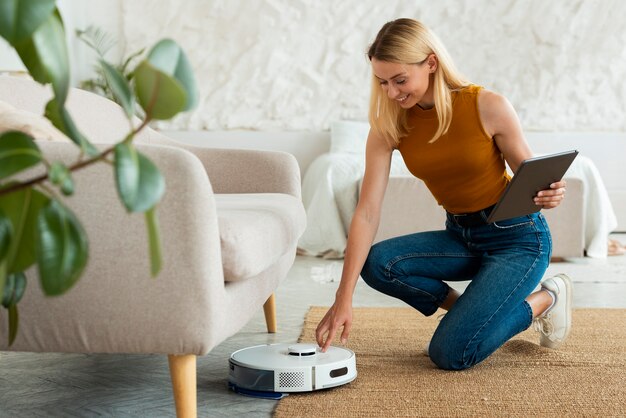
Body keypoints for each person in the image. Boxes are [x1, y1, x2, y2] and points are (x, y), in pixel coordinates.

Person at [315, 18, 573, 371]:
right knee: (378, 264)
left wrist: (550, 193)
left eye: (400, 80)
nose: (391, 93)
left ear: (431, 63)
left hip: (517, 240)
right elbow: (367, 212)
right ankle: (474, 313)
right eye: (382, 82)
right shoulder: (390, 124)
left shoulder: (487, 105)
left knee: (451, 354)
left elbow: (532, 177)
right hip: (461, 235)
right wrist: (342, 298)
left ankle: (547, 298)